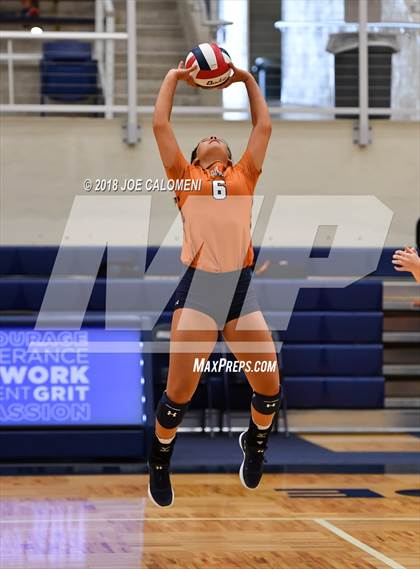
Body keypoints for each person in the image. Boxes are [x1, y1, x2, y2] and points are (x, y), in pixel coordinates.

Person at [148, 60, 280, 508]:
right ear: (193, 158)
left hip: (239, 290)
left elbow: (262, 124)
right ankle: (160, 459)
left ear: (226, 153)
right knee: (178, 394)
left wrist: (245, 79)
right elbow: (160, 123)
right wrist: (174, 77)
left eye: (218, 138)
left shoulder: (244, 174)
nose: (212, 137)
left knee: (269, 386)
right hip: (201, 290)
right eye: (204, 139)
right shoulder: (185, 180)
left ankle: (254, 445)